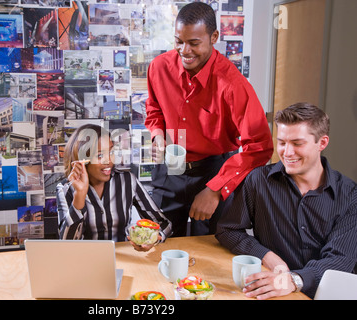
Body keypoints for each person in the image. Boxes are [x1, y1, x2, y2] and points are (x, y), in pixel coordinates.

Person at [145, 2, 273, 236]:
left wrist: (215, 190)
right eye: (179, 41)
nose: (184, 50)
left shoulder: (233, 85)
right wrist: (157, 136)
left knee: (210, 246)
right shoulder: (158, 67)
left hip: (213, 171)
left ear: (214, 36)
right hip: (170, 168)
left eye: (194, 43)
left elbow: (260, 146)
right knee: (159, 240)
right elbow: (154, 109)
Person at [216, 103, 357, 299]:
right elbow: (228, 229)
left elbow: (340, 260)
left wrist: (293, 280)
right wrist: (268, 256)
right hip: (276, 291)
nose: (287, 153)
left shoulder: (351, 195)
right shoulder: (258, 181)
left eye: (297, 144)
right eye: (282, 143)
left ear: (322, 143)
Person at [57, 124, 172, 252]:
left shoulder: (127, 180)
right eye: (100, 155)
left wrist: (153, 239)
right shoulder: (65, 188)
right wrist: (79, 196)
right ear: (82, 160)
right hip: (85, 260)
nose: (109, 160)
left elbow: (163, 223)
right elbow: (67, 243)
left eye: (111, 152)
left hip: (123, 258)